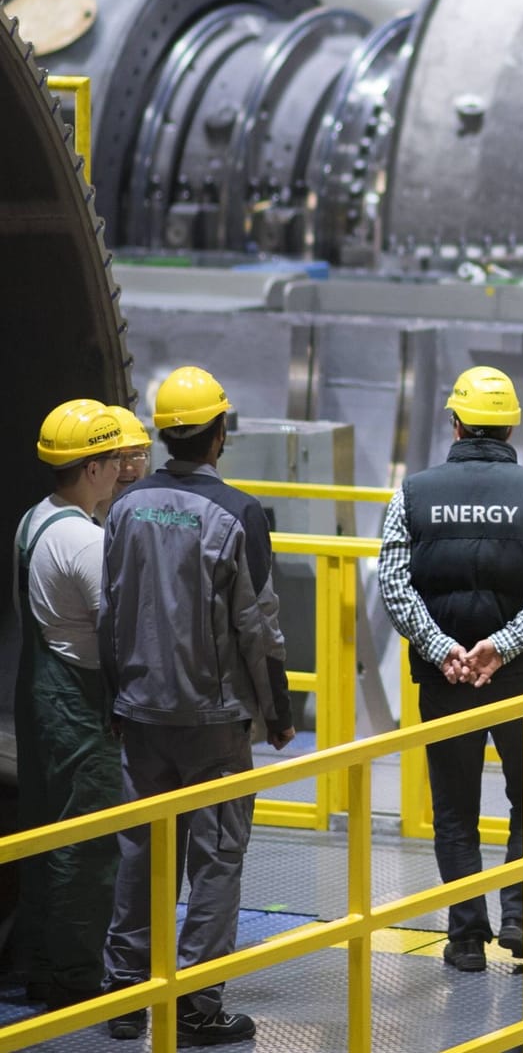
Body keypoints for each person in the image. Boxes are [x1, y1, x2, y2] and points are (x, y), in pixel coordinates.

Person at [98, 367, 294, 1045]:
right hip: (213, 724)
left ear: (159, 434)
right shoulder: (238, 514)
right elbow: (260, 628)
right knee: (214, 862)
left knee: (141, 855)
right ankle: (194, 1008)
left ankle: (123, 996)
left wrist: (114, 700)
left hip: (140, 712)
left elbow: (110, 609)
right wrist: (279, 714)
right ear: (219, 433)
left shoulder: (123, 507)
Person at [376, 366, 523, 973]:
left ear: (456, 422)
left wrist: (444, 650)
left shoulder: (412, 493)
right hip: (520, 680)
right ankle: (520, 917)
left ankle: (465, 938)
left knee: (455, 806)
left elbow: (392, 579)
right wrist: (503, 646)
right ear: (512, 423)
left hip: (445, 681)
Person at [12, 400, 125, 1008]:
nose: (121, 471)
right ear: (92, 467)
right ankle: (74, 978)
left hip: (41, 700)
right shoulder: (86, 541)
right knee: (86, 846)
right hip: (81, 709)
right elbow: (118, 635)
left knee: (42, 831)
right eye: (114, 461)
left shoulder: (35, 520)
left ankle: (36, 959)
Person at [104, 405, 151, 508]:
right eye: (118, 457)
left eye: (135, 455)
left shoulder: (154, 513)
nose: (128, 467)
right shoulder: (82, 521)